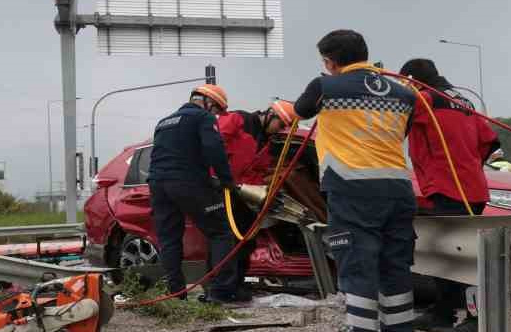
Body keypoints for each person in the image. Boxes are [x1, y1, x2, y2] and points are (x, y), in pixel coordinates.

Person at [294, 29, 417, 332]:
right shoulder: (404, 93)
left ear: (330, 62)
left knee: (358, 267)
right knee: (396, 268)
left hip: (352, 189)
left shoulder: (325, 86)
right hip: (398, 189)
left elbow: (299, 111)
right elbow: (402, 132)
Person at [399, 59, 500, 332]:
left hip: (447, 187)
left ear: (412, 80)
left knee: (458, 257)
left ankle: (475, 318)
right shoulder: (463, 101)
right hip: (474, 188)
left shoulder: (425, 99)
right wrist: (468, 165)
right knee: (457, 254)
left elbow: (394, 125)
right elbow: (490, 140)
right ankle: (442, 315)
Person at [147, 84, 243, 303]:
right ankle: (220, 293)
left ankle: (176, 293)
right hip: (187, 183)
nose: (216, 115)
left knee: (169, 240)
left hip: (157, 185)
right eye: (217, 110)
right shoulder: (202, 118)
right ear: (206, 102)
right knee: (220, 232)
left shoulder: (163, 122)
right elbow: (214, 149)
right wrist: (227, 181)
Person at [214, 99, 298, 298]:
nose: (280, 130)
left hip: (243, 194)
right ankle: (220, 289)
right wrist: (218, 176)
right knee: (227, 240)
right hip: (223, 189)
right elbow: (212, 145)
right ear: (271, 115)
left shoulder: (266, 142)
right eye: (281, 124)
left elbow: (258, 170)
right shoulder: (238, 120)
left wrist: (260, 192)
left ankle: (237, 285)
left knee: (247, 241)